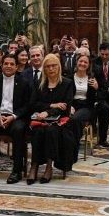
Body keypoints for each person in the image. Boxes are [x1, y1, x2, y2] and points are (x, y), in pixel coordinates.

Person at [0, 53, 34, 184]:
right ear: (1, 65)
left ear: (16, 67)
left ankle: (16, 171)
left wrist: (13, 117)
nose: (8, 66)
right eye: (6, 64)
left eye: (11, 64)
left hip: (16, 117)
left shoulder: (24, 83)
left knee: (19, 129)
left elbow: (28, 105)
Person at [27, 54, 72, 184]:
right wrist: (51, 105)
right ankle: (34, 165)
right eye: (48, 67)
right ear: (44, 69)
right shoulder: (39, 83)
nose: (51, 69)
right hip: (40, 119)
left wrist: (47, 111)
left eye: (54, 66)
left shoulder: (67, 83)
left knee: (51, 131)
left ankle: (48, 165)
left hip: (60, 121)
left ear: (59, 67)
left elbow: (65, 106)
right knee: (38, 131)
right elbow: (33, 104)